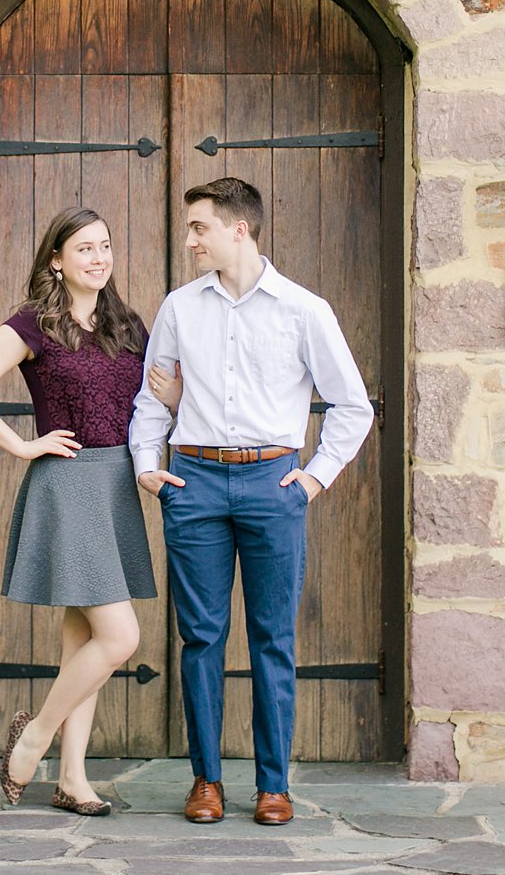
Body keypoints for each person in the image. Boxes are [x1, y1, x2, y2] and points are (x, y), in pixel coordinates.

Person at [128, 177, 374, 826]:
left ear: (239, 228)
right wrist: (146, 465)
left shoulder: (304, 309)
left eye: (199, 228)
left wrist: (315, 476)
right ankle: (205, 780)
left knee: (272, 638)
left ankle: (273, 783)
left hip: (274, 484)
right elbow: (154, 397)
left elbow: (352, 405)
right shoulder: (180, 308)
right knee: (201, 636)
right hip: (195, 483)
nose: (189, 240)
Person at [0, 206, 179, 816]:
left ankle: (73, 778)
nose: (99, 258)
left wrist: (167, 423)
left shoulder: (127, 324)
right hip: (69, 484)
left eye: (105, 246)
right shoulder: (33, 323)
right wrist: (23, 445)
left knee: (84, 641)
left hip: (116, 487)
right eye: (84, 248)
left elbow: (160, 397)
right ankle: (35, 739)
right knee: (120, 636)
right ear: (57, 259)